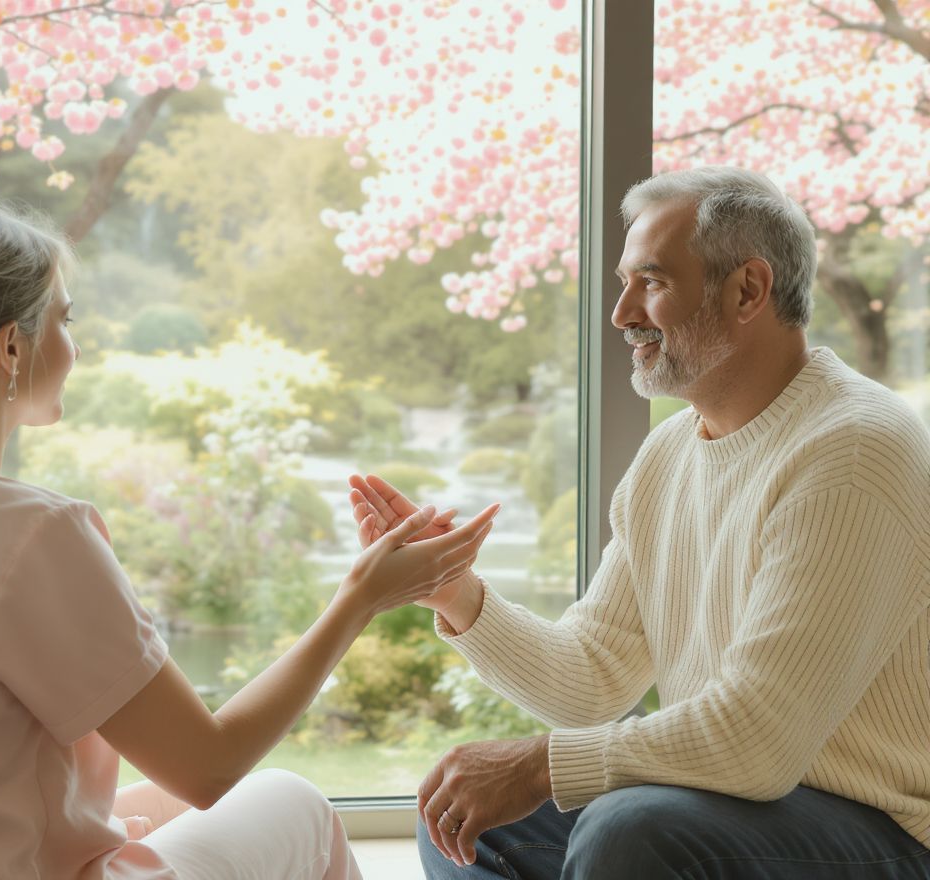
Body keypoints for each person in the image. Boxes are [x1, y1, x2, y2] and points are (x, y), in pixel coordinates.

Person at [0, 202, 500, 880]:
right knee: (293, 801)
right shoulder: (30, 535)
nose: (74, 346)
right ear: (9, 349)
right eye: (65, 318)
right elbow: (210, 767)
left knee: (156, 808)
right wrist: (359, 600)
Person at [349, 167, 930, 878]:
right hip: (738, 806)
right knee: (463, 806)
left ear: (748, 289)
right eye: (625, 282)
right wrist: (454, 592)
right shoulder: (672, 451)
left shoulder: (853, 451)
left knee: (632, 831)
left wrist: (539, 765)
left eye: (651, 283)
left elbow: (758, 739)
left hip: (886, 834)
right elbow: (592, 678)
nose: (622, 312)